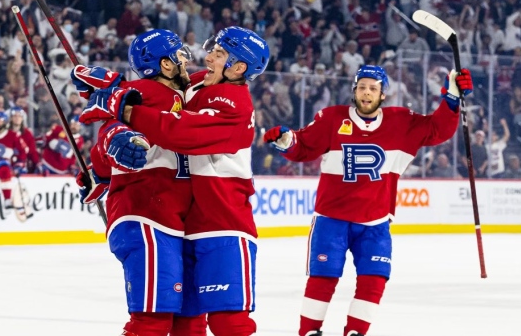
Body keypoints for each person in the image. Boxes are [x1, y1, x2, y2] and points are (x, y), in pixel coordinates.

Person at [82, 26, 270, 336]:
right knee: (175, 321)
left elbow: (179, 131)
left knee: (224, 323)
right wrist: (114, 89)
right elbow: (144, 101)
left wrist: (122, 106)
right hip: (179, 225)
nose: (204, 58)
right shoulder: (192, 87)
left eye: (219, 54)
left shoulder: (237, 104)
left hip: (225, 223)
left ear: (238, 68)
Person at [262, 65, 474, 336]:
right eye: (362, 87)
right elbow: (303, 145)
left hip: (375, 222)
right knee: (323, 279)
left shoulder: (402, 121)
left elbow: (437, 129)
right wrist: (286, 141)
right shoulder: (331, 119)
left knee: (374, 280)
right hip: (331, 220)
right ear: (354, 90)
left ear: (383, 94)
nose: (366, 93)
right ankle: (310, 331)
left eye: (373, 88)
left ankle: (356, 331)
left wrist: (451, 100)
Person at [70, 29, 207, 336]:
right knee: (152, 321)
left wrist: (100, 172)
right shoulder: (142, 92)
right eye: (180, 56)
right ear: (166, 65)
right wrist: (112, 146)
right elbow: (111, 131)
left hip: (180, 222)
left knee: (192, 323)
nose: (186, 61)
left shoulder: (186, 96)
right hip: (148, 218)